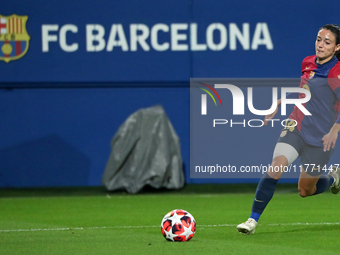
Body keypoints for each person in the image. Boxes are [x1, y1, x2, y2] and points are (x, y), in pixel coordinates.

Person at [237, 24, 340, 235]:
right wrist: (280, 101)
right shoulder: (307, 62)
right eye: (318, 39)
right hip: (297, 125)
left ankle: (333, 179)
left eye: (327, 42)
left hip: (321, 138)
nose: (320, 45)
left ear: (337, 47)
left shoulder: (336, 72)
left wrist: (334, 130)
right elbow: (305, 91)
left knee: (305, 190)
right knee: (276, 167)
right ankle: (252, 220)